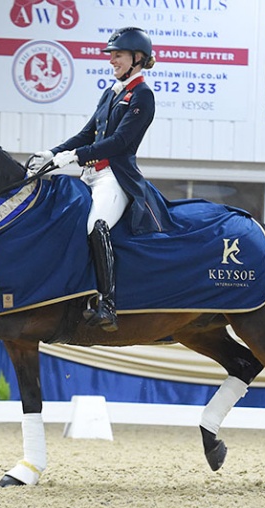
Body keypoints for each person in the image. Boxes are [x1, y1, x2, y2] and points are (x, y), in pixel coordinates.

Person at [28, 27, 174, 333]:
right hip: (90, 175)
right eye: (112, 56)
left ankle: (107, 304)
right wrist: (52, 153)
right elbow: (87, 133)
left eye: (118, 55)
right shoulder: (112, 93)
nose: (113, 61)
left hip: (115, 178)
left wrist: (75, 156)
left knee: (97, 225)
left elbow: (121, 141)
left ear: (137, 58)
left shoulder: (143, 96)